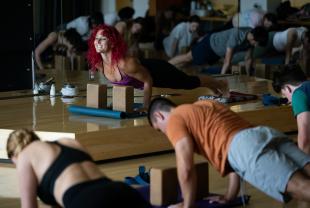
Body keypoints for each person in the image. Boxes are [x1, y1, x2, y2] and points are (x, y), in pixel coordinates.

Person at [148, 97, 310, 207]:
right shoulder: (204, 105)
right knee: (303, 188)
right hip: (264, 134)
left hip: (244, 147)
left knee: (301, 188)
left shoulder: (174, 120)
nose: (165, 132)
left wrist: (186, 205)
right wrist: (229, 196)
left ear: (159, 115)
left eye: (159, 129)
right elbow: (232, 154)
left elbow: (186, 169)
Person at [87, 24, 228, 109]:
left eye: (102, 39)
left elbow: (147, 81)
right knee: (189, 83)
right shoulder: (100, 64)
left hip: (159, 71)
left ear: (112, 42)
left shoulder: (126, 64)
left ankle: (220, 83)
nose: (97, 42)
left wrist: (146, 106)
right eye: (96, 39)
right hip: (148, 72)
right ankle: (213, 87)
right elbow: (119, 84)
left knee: (188, 83)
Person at [7, 128, 150, 208]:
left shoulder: (24, 156)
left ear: (14, 156)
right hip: (120, 190)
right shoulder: (68, 142)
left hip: (87, 202)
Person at [169, 26, 269, 75]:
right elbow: (227, 61)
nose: (256, 45)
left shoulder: (251, 41)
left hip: (216, 52)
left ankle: (171, 71)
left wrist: (248, 76)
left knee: (190, 63)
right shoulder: (237, 35)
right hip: (209, 44)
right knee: (187, 57)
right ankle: (166, 66)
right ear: (253, 37)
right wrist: (222, 78)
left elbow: (248, 59)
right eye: (256, 43)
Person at [272, 64, 310, 154]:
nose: (289, 101)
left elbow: (305, 141)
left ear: (288, 88)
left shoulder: (299, 94)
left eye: (285, 95)